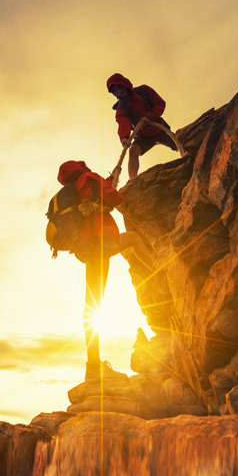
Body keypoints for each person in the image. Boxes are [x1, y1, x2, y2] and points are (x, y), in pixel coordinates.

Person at [56, 160, 156, 381]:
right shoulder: (88, 178)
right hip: (100, 242)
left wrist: (111, 180)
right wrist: (111, 185)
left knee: (91, 305)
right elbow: (114, 197)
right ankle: (158, 268)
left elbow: (101, 194)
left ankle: (92, 367)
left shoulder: (75, 188)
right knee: (133, 239)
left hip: (87, 246)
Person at [107, 73, 182, 181]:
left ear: (125, 84)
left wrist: (149, 116)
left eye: (119, 87)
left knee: (180, 144)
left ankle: (189, 158)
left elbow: (160, 103)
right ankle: (133, 181)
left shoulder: (144, 91)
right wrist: (125, 138)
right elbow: (123, 123)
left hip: (159, 129)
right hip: (143, 136)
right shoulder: (121, 108)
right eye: (115, 90)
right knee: (133, 151)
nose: (119, 91)